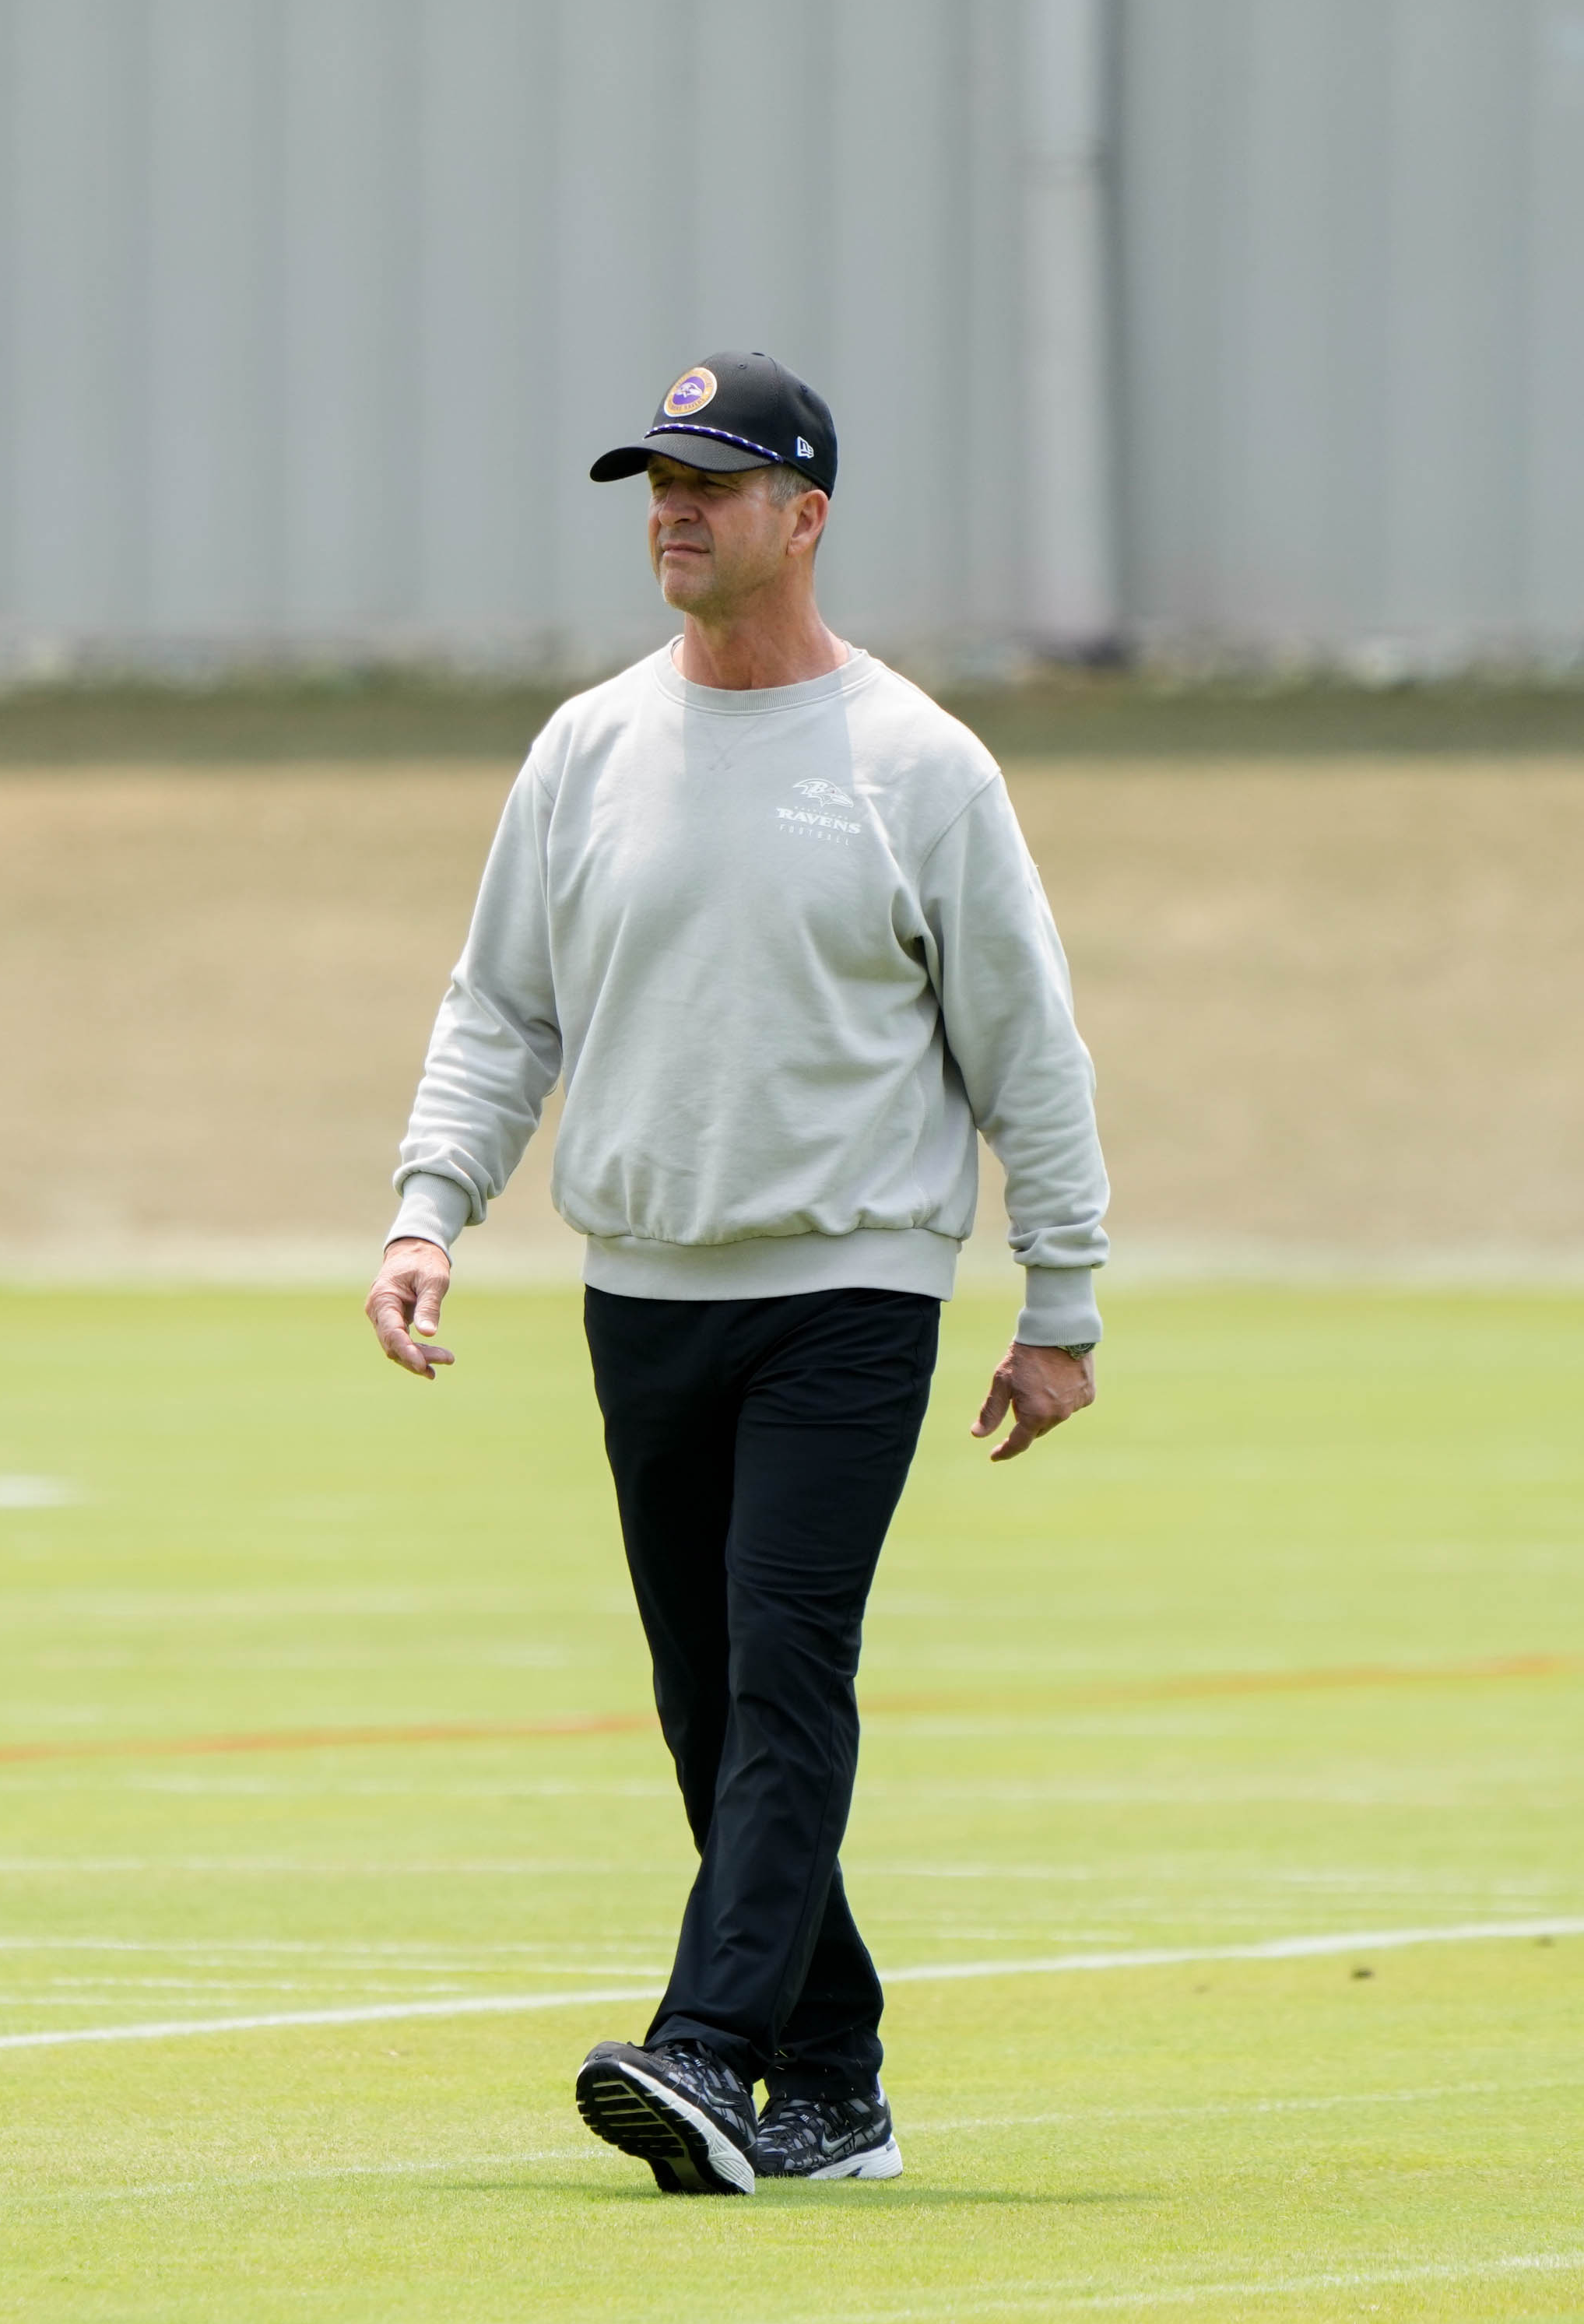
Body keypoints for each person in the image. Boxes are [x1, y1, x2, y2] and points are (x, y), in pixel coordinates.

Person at [364, 350, 1108, 2195]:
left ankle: (703, 2051)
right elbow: (498, 1012)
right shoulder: (586, 749)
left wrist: (1061, 1300)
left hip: (848, 1296)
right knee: (706, 1706)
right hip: (643, 1294)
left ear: (805, 517)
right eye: (655, 484)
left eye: (711, 482)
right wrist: (423, 1209)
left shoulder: (915, 766)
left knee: (784, 1671)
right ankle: (835, 2080)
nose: (673, 512)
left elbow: (1029, 1042)